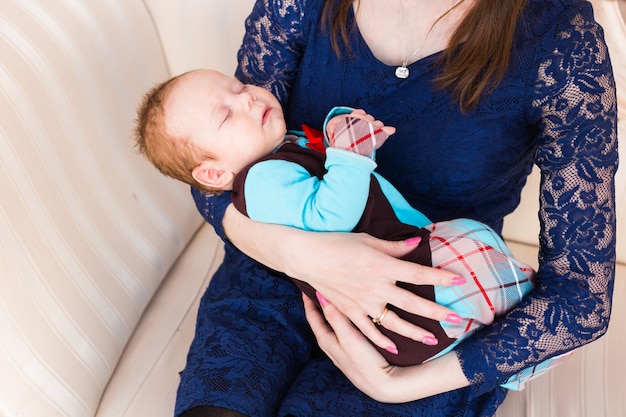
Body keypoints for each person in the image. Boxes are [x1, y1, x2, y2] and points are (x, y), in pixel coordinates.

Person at [176, 0, 618, 416]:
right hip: (272, 272)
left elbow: (582, 297)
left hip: (427, 315)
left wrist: (396, 385)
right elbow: (211, 169)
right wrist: (302, 255)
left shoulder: (559, 41)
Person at [134, 68, 542, 368]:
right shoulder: (260, 180)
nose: (248, 99)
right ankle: (516, 301)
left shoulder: (278, 154)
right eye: (226, 116)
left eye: (240, 87)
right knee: (472, 241)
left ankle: (507, 305)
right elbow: (331, 216)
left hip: (402, 286)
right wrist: (350, 155)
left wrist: (345, 134)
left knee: (470, 243)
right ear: (214, 175)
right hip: (402, 298)